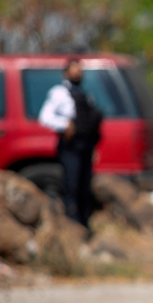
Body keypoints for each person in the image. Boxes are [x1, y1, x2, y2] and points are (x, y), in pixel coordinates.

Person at [38, 59, 103, 228]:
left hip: (86, 146)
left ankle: (84, 226)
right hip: (70, 147)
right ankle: (72, 226)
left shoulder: (86, 95)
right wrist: (64, 124)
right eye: (73, 71)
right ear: (66, 73)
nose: (77, 74)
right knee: (71, 187)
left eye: (79, 71)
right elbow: (45, 117)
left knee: (84, 187)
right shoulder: (59, 93)